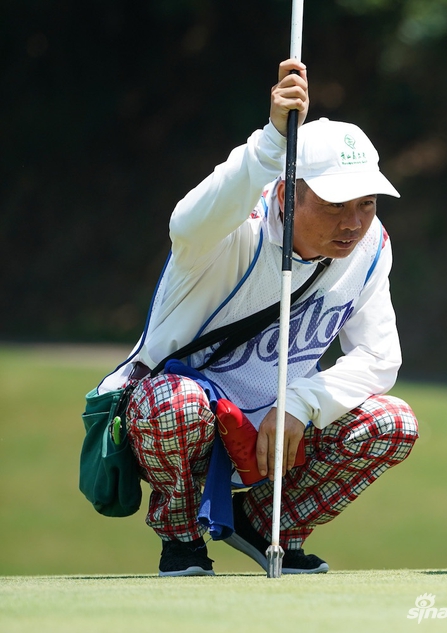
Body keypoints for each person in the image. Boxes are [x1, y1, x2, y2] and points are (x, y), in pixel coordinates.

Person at [97, 59, 418, 576]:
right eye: (337, 204)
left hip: (278, 432)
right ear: (289, 194)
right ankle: (180, 536)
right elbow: (188, 218)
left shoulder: (372, 248)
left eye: (367, 204)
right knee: (174, 405)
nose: (354, 223)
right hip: (182, 422)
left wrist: (299, 403)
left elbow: (380, 357)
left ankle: (268, 523)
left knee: (392, 422)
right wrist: (271, 142)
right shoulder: (230, 232)